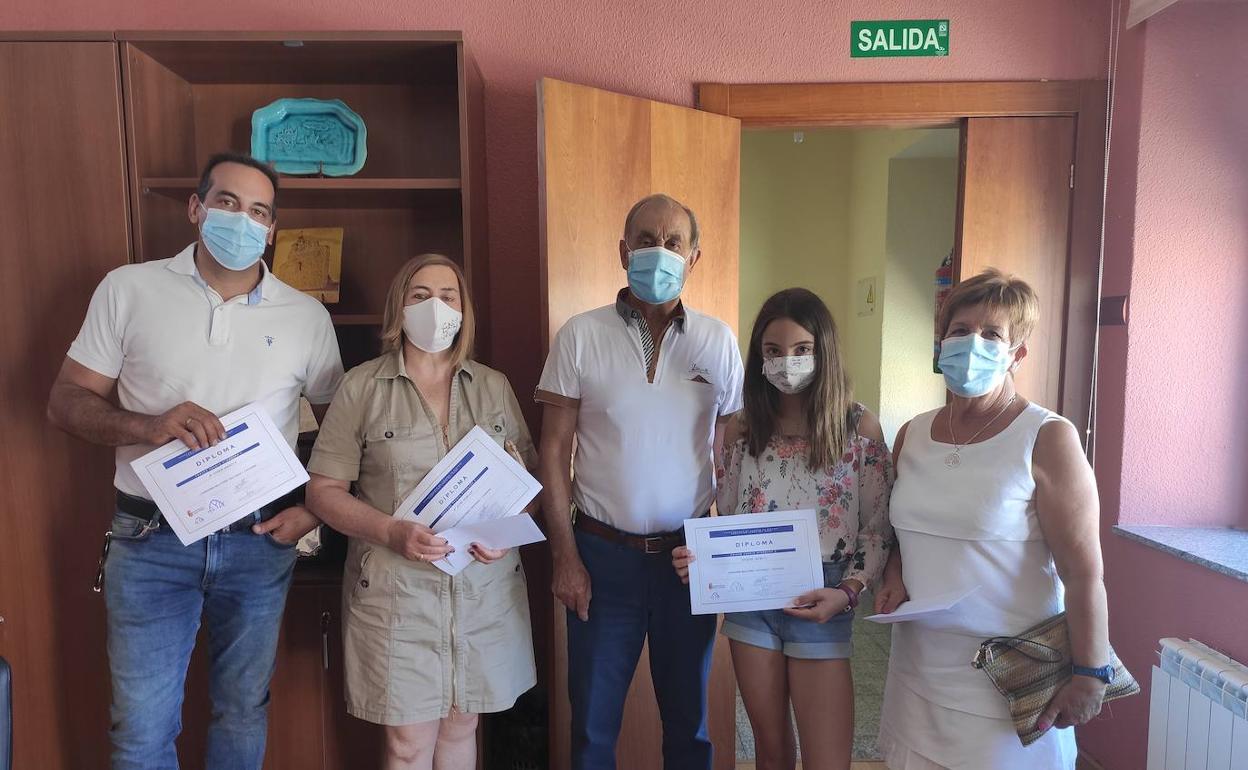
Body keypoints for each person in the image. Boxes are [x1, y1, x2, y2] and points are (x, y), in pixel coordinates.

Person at [46, 153, 344, 769]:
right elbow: (65, 403)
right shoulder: (129, 288)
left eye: (259, 212)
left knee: (243, 710)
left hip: (260, 541)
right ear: (196, 208)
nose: (243, 220)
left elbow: (347, 431)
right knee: (141, 728)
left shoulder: (307, 317)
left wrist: (313, 513)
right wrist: (147, 425)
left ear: (272, 230)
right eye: (228, 203)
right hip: (150, 537)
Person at [536, 194, 745, 770]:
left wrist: (722, 549)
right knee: (592, 730)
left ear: (694, 257)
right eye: (646, 239)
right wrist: (564, 557)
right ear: (623, 250)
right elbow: (552, 451)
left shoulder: (718, 341)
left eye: (673, 241)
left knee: (690, 727)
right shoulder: (580, 335)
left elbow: (735, 454)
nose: (659, 251)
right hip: (602, 560)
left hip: (687, 560)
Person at [305, 253, 537, 770]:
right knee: (407, 746)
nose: (436, 306)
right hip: (397, 597)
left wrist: (505, 532)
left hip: (482, 594)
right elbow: (323, 492)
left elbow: (529, 483)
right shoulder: (362, 387)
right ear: (399, 308)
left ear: (463, 309)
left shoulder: (493, 386)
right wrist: (390, 531)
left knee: (463, 729)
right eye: (420, 295)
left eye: (448, 296)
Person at [874, 268, 1110, 769]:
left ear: (1016, 353)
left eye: (991, 334)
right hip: (918, 672)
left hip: (1010, 680)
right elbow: (904, 530)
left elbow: (1083, 571)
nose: (971, 343)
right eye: (959, 331)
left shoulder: (1048, 437)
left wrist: (1092, 672)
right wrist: (894, 572)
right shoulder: (912, 435)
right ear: (940, 344)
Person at [673, 288, 894, 770]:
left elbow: (877, 530)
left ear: (824, 352)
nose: (786, 362)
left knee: (827, 759)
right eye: (773, 351)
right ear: (758, 358)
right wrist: (702, 560)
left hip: (823, 597)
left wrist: (851, 591)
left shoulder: (858, 428)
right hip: (752, 603)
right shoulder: (741, 429)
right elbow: (728, 519)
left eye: (801, 350)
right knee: (771, 754)